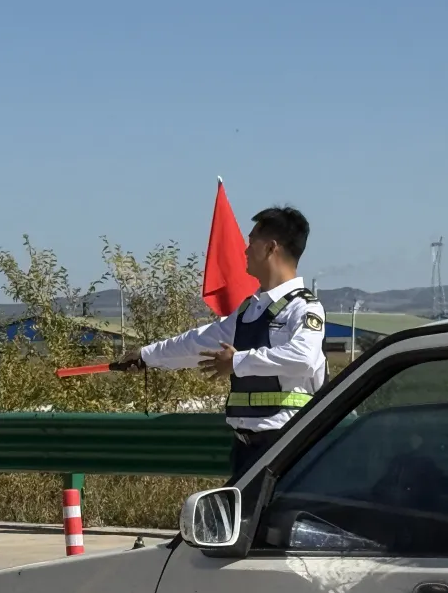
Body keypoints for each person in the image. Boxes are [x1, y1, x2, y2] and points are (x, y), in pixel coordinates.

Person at [122, 206, 326, 480]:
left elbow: (303, 358)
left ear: (270, 248)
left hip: (286, 445)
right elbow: (196, 343)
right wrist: (146, 355)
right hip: (245, 448)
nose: (245, 249)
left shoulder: (303, 307)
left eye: (251, 241)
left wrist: (237, 361)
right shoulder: (249, 311)